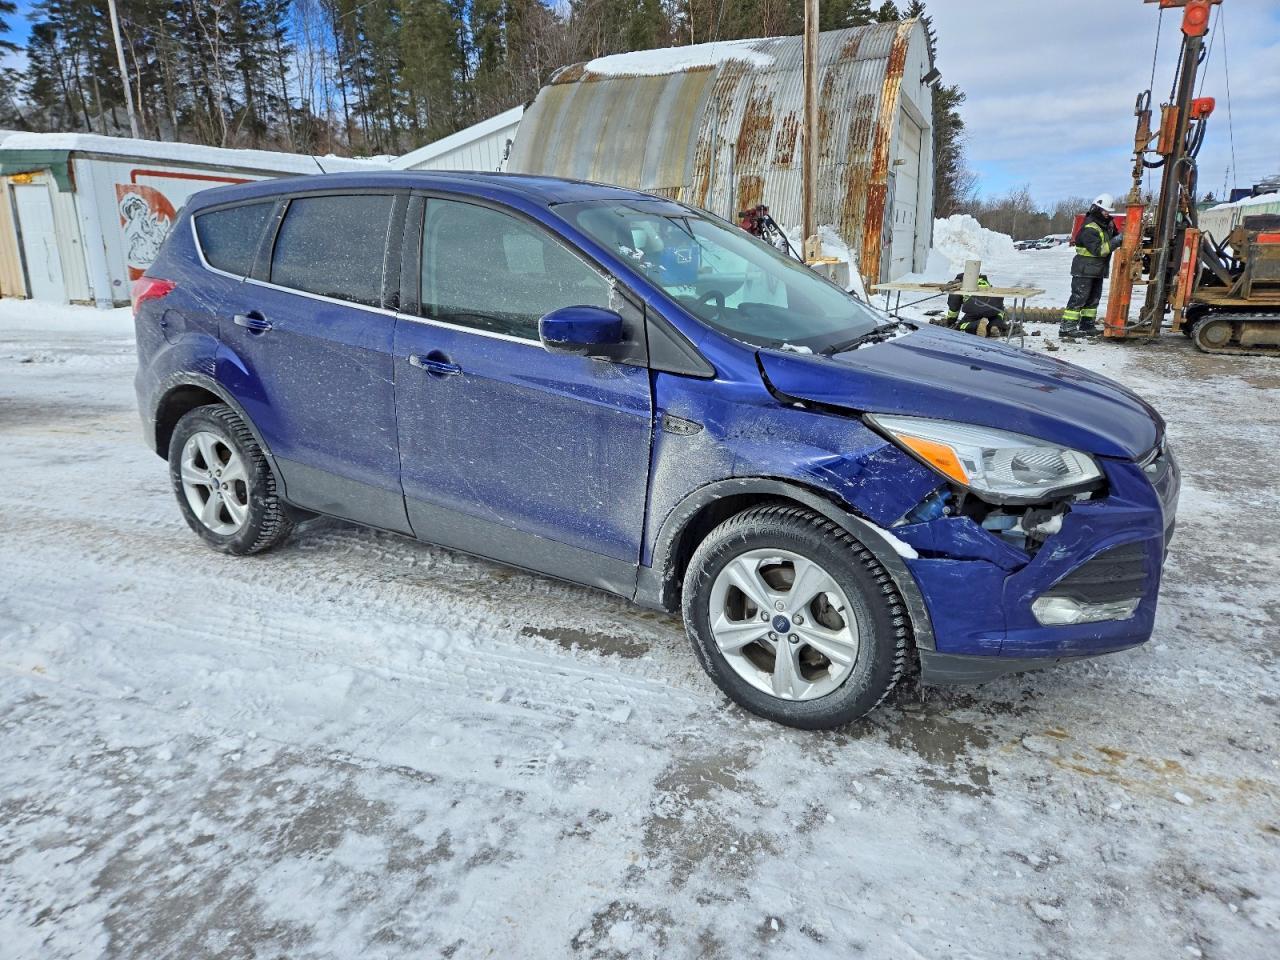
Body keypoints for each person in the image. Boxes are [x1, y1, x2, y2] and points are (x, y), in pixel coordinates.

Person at [1061, 194, 1123, 338]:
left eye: (1108, 212)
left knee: (1093, 299)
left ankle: (1087, 325)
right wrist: (1118, 240)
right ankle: (1067, 327)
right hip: (1084, 270)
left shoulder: (1107, 224)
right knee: (1079, 298)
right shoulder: (1090, 228)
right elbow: (1099, 250)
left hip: (1097, 270)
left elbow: (1115, 237)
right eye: (1105, 211)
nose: (1107, 214)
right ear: (1096, 209)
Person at [943, 272, 1008, 338]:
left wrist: (951, 321)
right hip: (993, 303)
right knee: (998, 312)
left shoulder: (957, 286)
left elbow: (954, 306)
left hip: (975, 305)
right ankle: (994, 325)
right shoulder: (983, 281)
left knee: (962, 325)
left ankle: (978, 325)